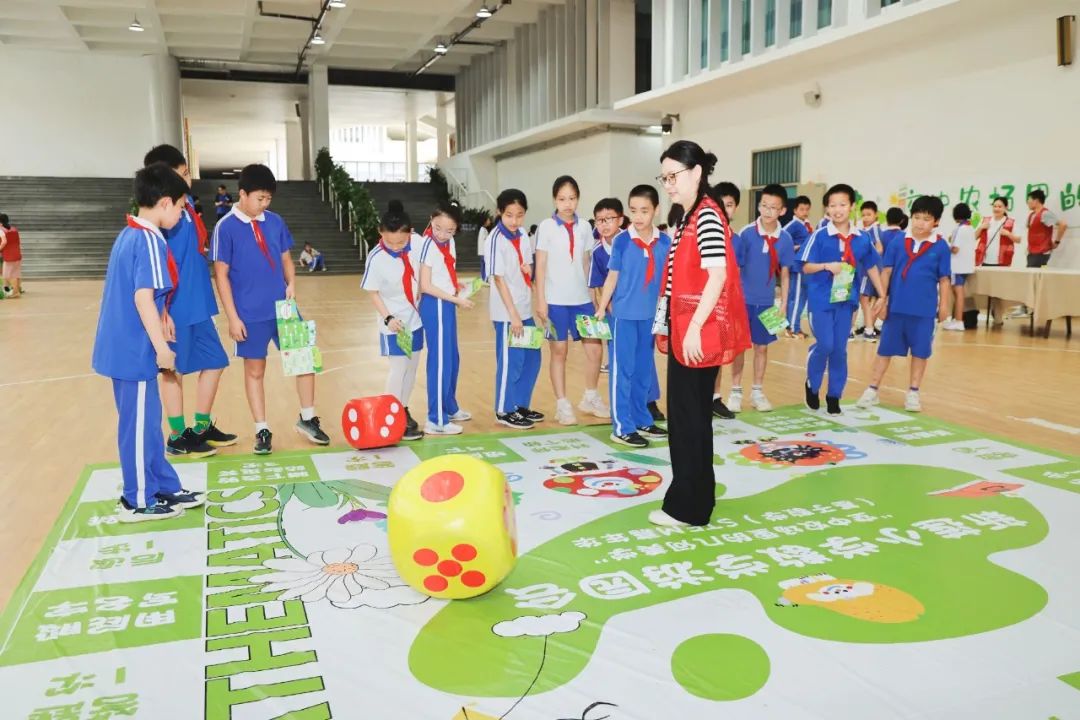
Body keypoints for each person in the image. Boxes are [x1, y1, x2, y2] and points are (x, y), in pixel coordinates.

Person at [91, 164, 205, 522]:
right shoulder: (151, 238)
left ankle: (162, 485)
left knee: (148, 422)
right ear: (166, 203)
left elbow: (146, 295)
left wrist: (164, 318)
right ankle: (137, 499)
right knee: (138, 426)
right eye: (182, 206)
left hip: (127, 347)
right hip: (134, 351)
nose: (183, 213)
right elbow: (143, 297)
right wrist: (160, 347)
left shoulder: (131, 232)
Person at [650, 141, 751, 528]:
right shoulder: (691, 214)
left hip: (696, 330)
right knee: (688, 417)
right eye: (664, 177)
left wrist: (692, 327)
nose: (668, 185)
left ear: (696, 173)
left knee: (689, 418)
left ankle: (688, 508)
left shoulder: (706, 215)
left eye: (673, 176)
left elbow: (718, 275)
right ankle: (694, 501)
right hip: (685, 328)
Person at [212, 163, 330, 455]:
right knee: (255, 370)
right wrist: (233, 317)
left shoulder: (275, 221)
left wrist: (291, 283)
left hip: (284, 309)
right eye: (259, 198)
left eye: (268, 199)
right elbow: (221, 275)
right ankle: (261, 428)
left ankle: (307, 418)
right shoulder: (225, 227)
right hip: (249, 315)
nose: (264, 204)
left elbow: (286, 259)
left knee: (305, 361)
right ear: (242, 194)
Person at [141, 145, 236, 459]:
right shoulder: (161, 220)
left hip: (198, 303)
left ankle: (201, 427)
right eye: (182, 174)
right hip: (176, 307)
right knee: (174, 371)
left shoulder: (186, 207)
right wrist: (163, 309)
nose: (188, 180)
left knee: (216, 362)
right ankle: (178, 435)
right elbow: (157, 270)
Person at [856, 196, 951, 413]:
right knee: (884, 350)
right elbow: (887, 271)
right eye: (916, 217)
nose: (920, 223)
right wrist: (882, 298)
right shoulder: (898, 242)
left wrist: (944, 305)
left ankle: (913, 392)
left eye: (926, 219)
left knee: (920, 352)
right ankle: (872, 389)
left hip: (924, 311)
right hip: (896, 308)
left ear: (936, 221)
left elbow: (944, 279)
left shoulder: (941, 246)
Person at [799, 184, 887, 415]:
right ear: (827, 208)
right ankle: (813, 385)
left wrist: (881, 292)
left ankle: (834, 395)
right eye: (832, 205)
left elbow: (870, 266)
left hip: (846, 300)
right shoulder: (819, 235)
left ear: (852, 207)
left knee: (839, 349)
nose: (837, 210)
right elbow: (805, 267)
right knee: (825, 345)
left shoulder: (862, 238)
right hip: (821, 300)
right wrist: (827, 266)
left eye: (842, 204)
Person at [595, 185, 671, 448]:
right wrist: (601, 307)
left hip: (650, 317)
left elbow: (666, 282)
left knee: (643, 372)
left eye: (645, 211)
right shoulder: (622, 241)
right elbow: (612, 276)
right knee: (622, 371)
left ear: (656, 210)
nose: (638, 217)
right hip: (623, 316)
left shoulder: (665, 242)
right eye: (634, 211)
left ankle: (642, 419)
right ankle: (622, 426)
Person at [534, 176, 609, 425]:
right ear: (555, 199)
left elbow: (587, 264)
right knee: (559, 351)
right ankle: (562, 403)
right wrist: (541, 300)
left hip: (582, 300)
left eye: (572, 198)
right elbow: (541, 266)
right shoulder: (546, 226)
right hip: (555, 301)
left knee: (595, 348)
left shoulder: (586, 228)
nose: (567, 204)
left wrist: (594, 298)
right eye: (562, 199)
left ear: (578, 198)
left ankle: (590, 395)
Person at [728, 184, 795, 413]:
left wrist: (784, 304)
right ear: (758, 206)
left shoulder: (785, 239)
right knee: (739, 348)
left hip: (767, 303)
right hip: (743, 301)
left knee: (762, 348)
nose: (767, 211)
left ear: (782, 211)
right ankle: (735, 391)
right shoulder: (746, 234)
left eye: (773, 208)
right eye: (764, 206)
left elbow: (785, 274)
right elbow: (736, 271)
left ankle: (757, 391)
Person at [362, 203, 426, 441]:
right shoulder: (376, 258)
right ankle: (390, 415)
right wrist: (387, 317)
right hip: (394, 322)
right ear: (381, 233)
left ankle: (403, 408)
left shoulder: (417, 244)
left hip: (416, 319)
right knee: (398, 368)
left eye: (402, 242)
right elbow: (373, 292)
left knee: (411, 367)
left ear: (410, 233)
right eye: (391, 243)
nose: (397, 247)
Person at [486, 189, 543, 429]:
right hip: (507, 313)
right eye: (509, 215)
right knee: (511, 361)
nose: (514, 220)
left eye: (519, 215)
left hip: (524, 308)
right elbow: (498, 279)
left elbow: (526, 266)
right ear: (500, 213)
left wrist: (529, 273)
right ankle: (504, 409)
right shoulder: (494, 239)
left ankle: (519, 404)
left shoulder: (521, 234)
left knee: (532, 358)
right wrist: (513, 315)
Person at [418, 202, 474, 435]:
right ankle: (435, 419)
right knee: (440, 361)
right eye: (438, 227)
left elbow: (445, 272)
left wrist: (456, 285)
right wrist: (457, 300)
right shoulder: (427, 245)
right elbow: (425, 285)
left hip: (448, 302)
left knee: (452, 358)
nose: (442, 234)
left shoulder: (448, 242)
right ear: (431, 220)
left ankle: (449, 406)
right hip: (435, 305)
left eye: (449, 230)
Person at [708, 180, 742, 420]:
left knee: (719, 353)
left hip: (728, 304)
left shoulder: (738, 239)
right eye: (721, 204)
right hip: (706, 304)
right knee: (705, 354)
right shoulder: (706, 232)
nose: (725, 209)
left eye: (729, 205)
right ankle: (701, 397)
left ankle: (714, 397)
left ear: (735, 208)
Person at [974, 196, 1017, 327]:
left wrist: (1008, 234)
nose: (997, 208)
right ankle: (993, 313)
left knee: (998, 291)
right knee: (987, 289)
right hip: (986, 259)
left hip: (1002, 261)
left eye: (1000, 206)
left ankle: (997, 316)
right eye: (995, 206)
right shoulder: (986, 220)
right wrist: (981, 227)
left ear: (1005, 208)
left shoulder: (1010, 222)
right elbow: (974, 237)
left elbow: (1018, 239)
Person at [783, 196, 814, 339]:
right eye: (802, 209)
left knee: (801, 298)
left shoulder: (806, 224)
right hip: (797, 266)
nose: (805, 212)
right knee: (796, 297)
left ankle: (793, 325)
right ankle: (792, 328)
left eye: (807, 209)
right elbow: (781, 238)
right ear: (795, 210)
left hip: (805, 267)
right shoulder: (793, 225)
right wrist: (797, 247)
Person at [943, 203, 976, 331]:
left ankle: (958, 320)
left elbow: (955, 249)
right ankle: (958, 319)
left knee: (958, 293)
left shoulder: (959, 229)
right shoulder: (970, 228)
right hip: (966, 264)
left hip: (957, 266)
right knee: (960, 292)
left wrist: (945, 247)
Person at [857, 200, 884, 342]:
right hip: (863, 270)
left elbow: (879, 248)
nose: (866, 218)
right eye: (863, 215)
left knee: (863, 299)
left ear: (876, 215)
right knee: (863, 300)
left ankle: (868, 330)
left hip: (867, 271)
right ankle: (868, 329)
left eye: (869, 214)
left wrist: (867, 254)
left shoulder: (874, 229)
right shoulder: (864, 231)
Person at [1024, 188, 1068, 268]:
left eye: (1029, 199)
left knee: (1034, 276)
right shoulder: (1031, 215)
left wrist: (1057, 242)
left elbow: (1063, 224)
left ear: (1036, 200)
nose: (1027, 202)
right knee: (1034, 277)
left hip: (1041, 252)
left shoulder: (1045, 213)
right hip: (1032, 252)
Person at [0, 213, 22, 298]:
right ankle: (15, 290)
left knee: (7, 275)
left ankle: (15, 293)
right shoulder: (14, 229)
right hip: (17, 254)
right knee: (16, 274)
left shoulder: (1, 230)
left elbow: (4, 242)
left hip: (9, 256)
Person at [477, 216, 494, 281]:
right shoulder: (483, 229)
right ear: (485, 221)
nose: (489, 221)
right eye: (488, 220)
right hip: (484, 251)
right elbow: (486, 239)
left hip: (483, 251)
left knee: (483, 265)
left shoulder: (483, 229)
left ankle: (484, 278)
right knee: (484, 265)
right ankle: (484, 278)